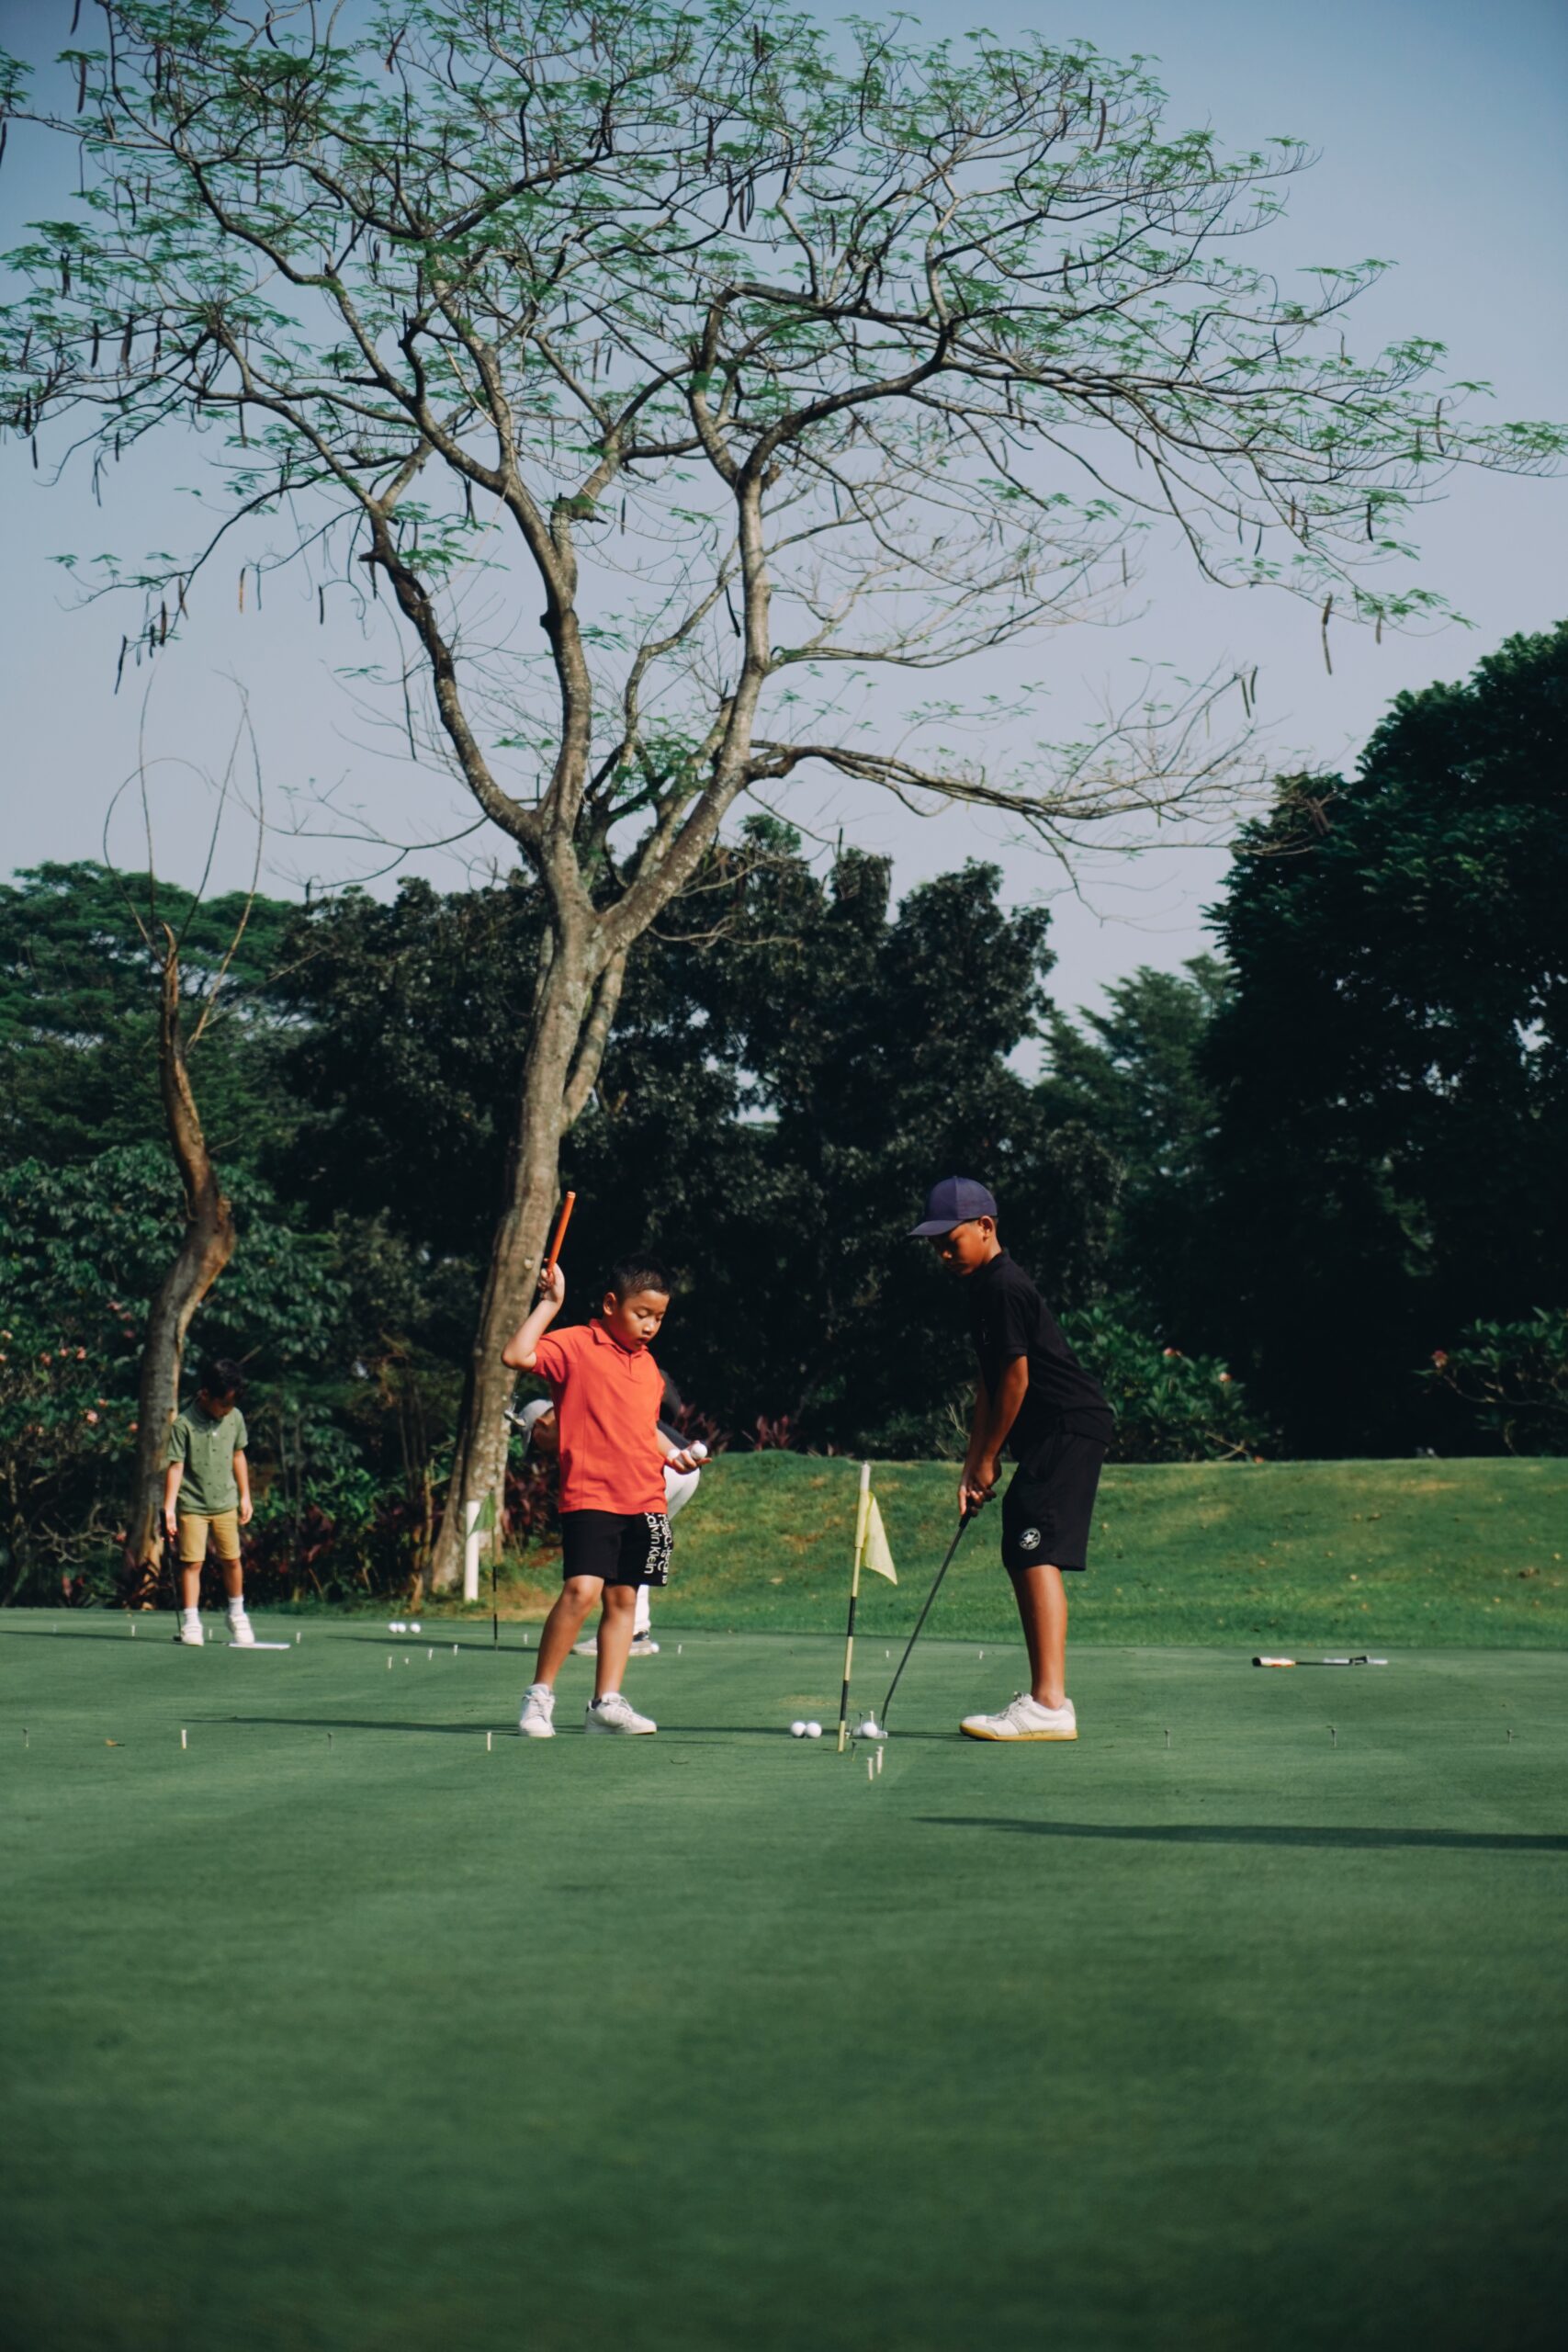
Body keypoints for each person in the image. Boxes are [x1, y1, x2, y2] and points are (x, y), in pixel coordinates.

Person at [909, 1175, 1114, 1740]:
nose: (944, 1253)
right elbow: (987, 1383)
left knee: (1034, 1544)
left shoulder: (1003, 1285)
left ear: (986, 1227)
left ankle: (1050, 1704)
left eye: (951, 1240)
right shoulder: (981, 1288)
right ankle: (1048, 1701)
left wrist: (991, 1456)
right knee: (1021, 1540)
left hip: (1068, 1425)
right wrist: (974, 1462)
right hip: (1054, 1431)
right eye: (935, 1246)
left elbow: (1018, 1381)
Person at [502, 1253, 702, 1738]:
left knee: (623, 1601)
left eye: (659, 1317)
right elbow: (517, 1355)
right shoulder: (575, 1344)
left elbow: (643, 1430)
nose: (651, 1326)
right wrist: (551, 1303)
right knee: (581, 1592)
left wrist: (675, 1457)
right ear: (611, 1304)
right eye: (642, 1314)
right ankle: (538, 1697)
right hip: (591, 1495)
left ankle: (605, 1704)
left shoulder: (649, 1368)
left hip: (645, 1498)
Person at [509, 1379, 701, 1657]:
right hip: (685, 1471)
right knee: (635, 1549)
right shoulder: (584, 1406)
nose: (544, 1455)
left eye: (537, 1446)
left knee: (623, 1547)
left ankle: (633, 1632)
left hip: (660, 1467)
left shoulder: (574, 1415)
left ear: (540, 1425)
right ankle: (637, 1630)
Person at [163, 1357, 256, 1648]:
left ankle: (236, 1614)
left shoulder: (235, 1418)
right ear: (205, 1394)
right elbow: (176, 1467)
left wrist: (245, 1494)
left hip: (226, 1503)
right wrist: (169, 1509)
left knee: (232, 1560)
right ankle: (192, 1621)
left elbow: (239, 1455)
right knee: (193, 1563)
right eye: (223, 1404)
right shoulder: (184, 1424)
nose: (227, 1411)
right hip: (193, 1505)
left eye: (231, 1405)